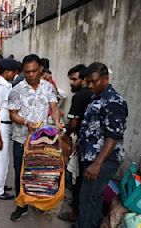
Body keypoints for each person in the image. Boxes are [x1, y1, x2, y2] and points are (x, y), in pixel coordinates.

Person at [8, 54, 61, 221]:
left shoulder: (48, 87)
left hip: (42, 140)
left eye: (34, 71)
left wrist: (58, 122)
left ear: (40, 70)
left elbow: (54, 107)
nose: (31, 74)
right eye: (27, 72)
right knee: (21, 174)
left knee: (39, 173)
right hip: (21, 139)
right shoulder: (16, 89)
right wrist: (26, 122)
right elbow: (12, 114)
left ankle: (38, 202)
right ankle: (21, 205)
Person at [76, 62, 128, 228]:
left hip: (103, 159)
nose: (90, 85)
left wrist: (98, 163)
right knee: (93, 196)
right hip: (92, 157)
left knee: (89, 197)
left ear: (106, 79)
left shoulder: (113, 102)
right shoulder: (97, 96)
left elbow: (113, 136)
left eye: (94, 81)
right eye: (88, 82)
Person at [58, 64, 93, 222]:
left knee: (78, 178)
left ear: (84, 79)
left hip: (84, 143)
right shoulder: (94, 93)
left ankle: (76, 212)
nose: (71, 83)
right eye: (70, 79)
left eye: (74, 79)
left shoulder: (80, 96)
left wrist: (65, 135)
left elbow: (73, 123)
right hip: (91, 143)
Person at [0, 59, 18, 200]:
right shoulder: (0, 87)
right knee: (2, 160)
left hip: (3, 126)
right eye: (14, 72)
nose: (15, 75)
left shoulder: (5, 85)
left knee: (1, 159)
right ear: (7, 72)